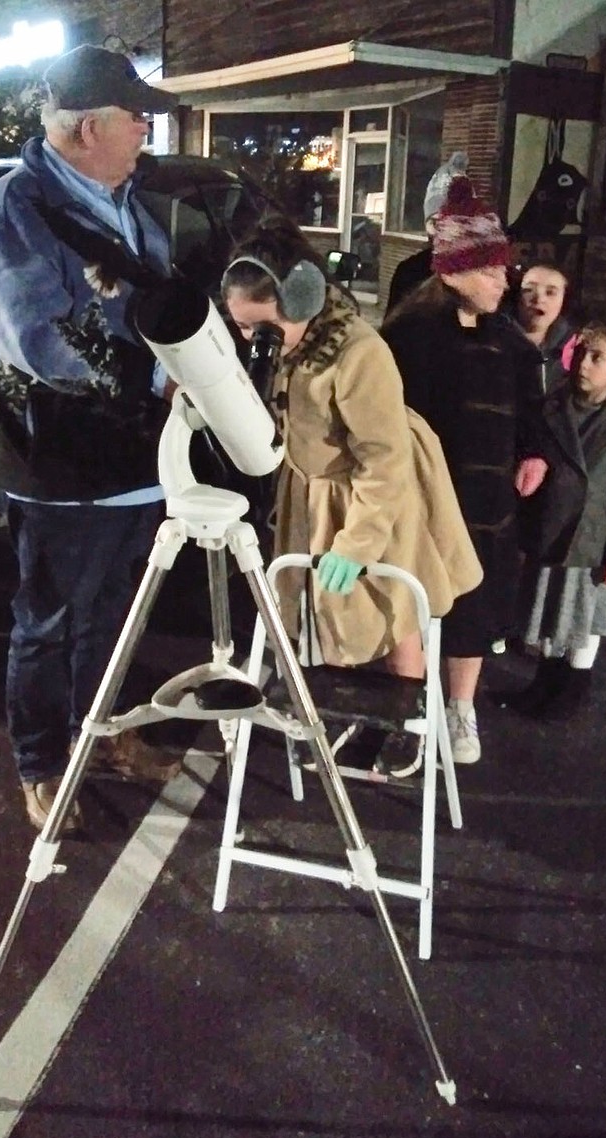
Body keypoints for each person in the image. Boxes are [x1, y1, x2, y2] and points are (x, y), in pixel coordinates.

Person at [0, 44, 182, 833]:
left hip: (131, 461)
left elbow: (156, 300)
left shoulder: (118, 198)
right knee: (51, 622)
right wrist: (156, 379)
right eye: (138, 119)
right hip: (57, 464)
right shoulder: (14, 211)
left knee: (112, 619)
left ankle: (106, 736)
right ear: (91, 127)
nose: (147, 133)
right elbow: (42, 338)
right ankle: (44, 766)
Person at [220, 215, 483, 778]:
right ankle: (368, 710)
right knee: (336, 614)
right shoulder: (285, 344)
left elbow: (382, 459)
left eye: (261, 328)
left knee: (394, 609)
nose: (253, 342)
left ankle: (407, 725)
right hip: (314, 490)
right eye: (243, 329)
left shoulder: (360, 353)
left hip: (371, 493)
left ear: (302, 298)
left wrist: (359, 543)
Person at [381, 176, 547, 764]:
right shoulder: (408, 339)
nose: (507, 281)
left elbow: (533, 412)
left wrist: (535, 453)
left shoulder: (511, 342)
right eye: (493, 270)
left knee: (474, 613)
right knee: (413, 604)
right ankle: (409, 714)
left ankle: (460, 710)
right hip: (422, 503)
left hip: (488, 508)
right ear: (455, 272)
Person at [496, 324, 606, 717]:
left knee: (584, 617)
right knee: (549, 611)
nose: (585, 364)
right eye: (580, 353)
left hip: (591, 540)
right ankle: (545, 684)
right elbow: (530, 447)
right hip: (550, 530)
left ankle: (573, 689)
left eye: (597, 357)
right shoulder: (550, 407)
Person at [383, 151, 469, 319]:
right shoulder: (410, 272)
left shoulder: (485, 276)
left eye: (452, 221)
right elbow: (390, 335)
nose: (443, 232)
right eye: (435, 223)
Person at [508, 261, 574, 394]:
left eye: (550, 292)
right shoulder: (492, 340)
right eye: (529, 290)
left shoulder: (574, 349)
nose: (539, 299)